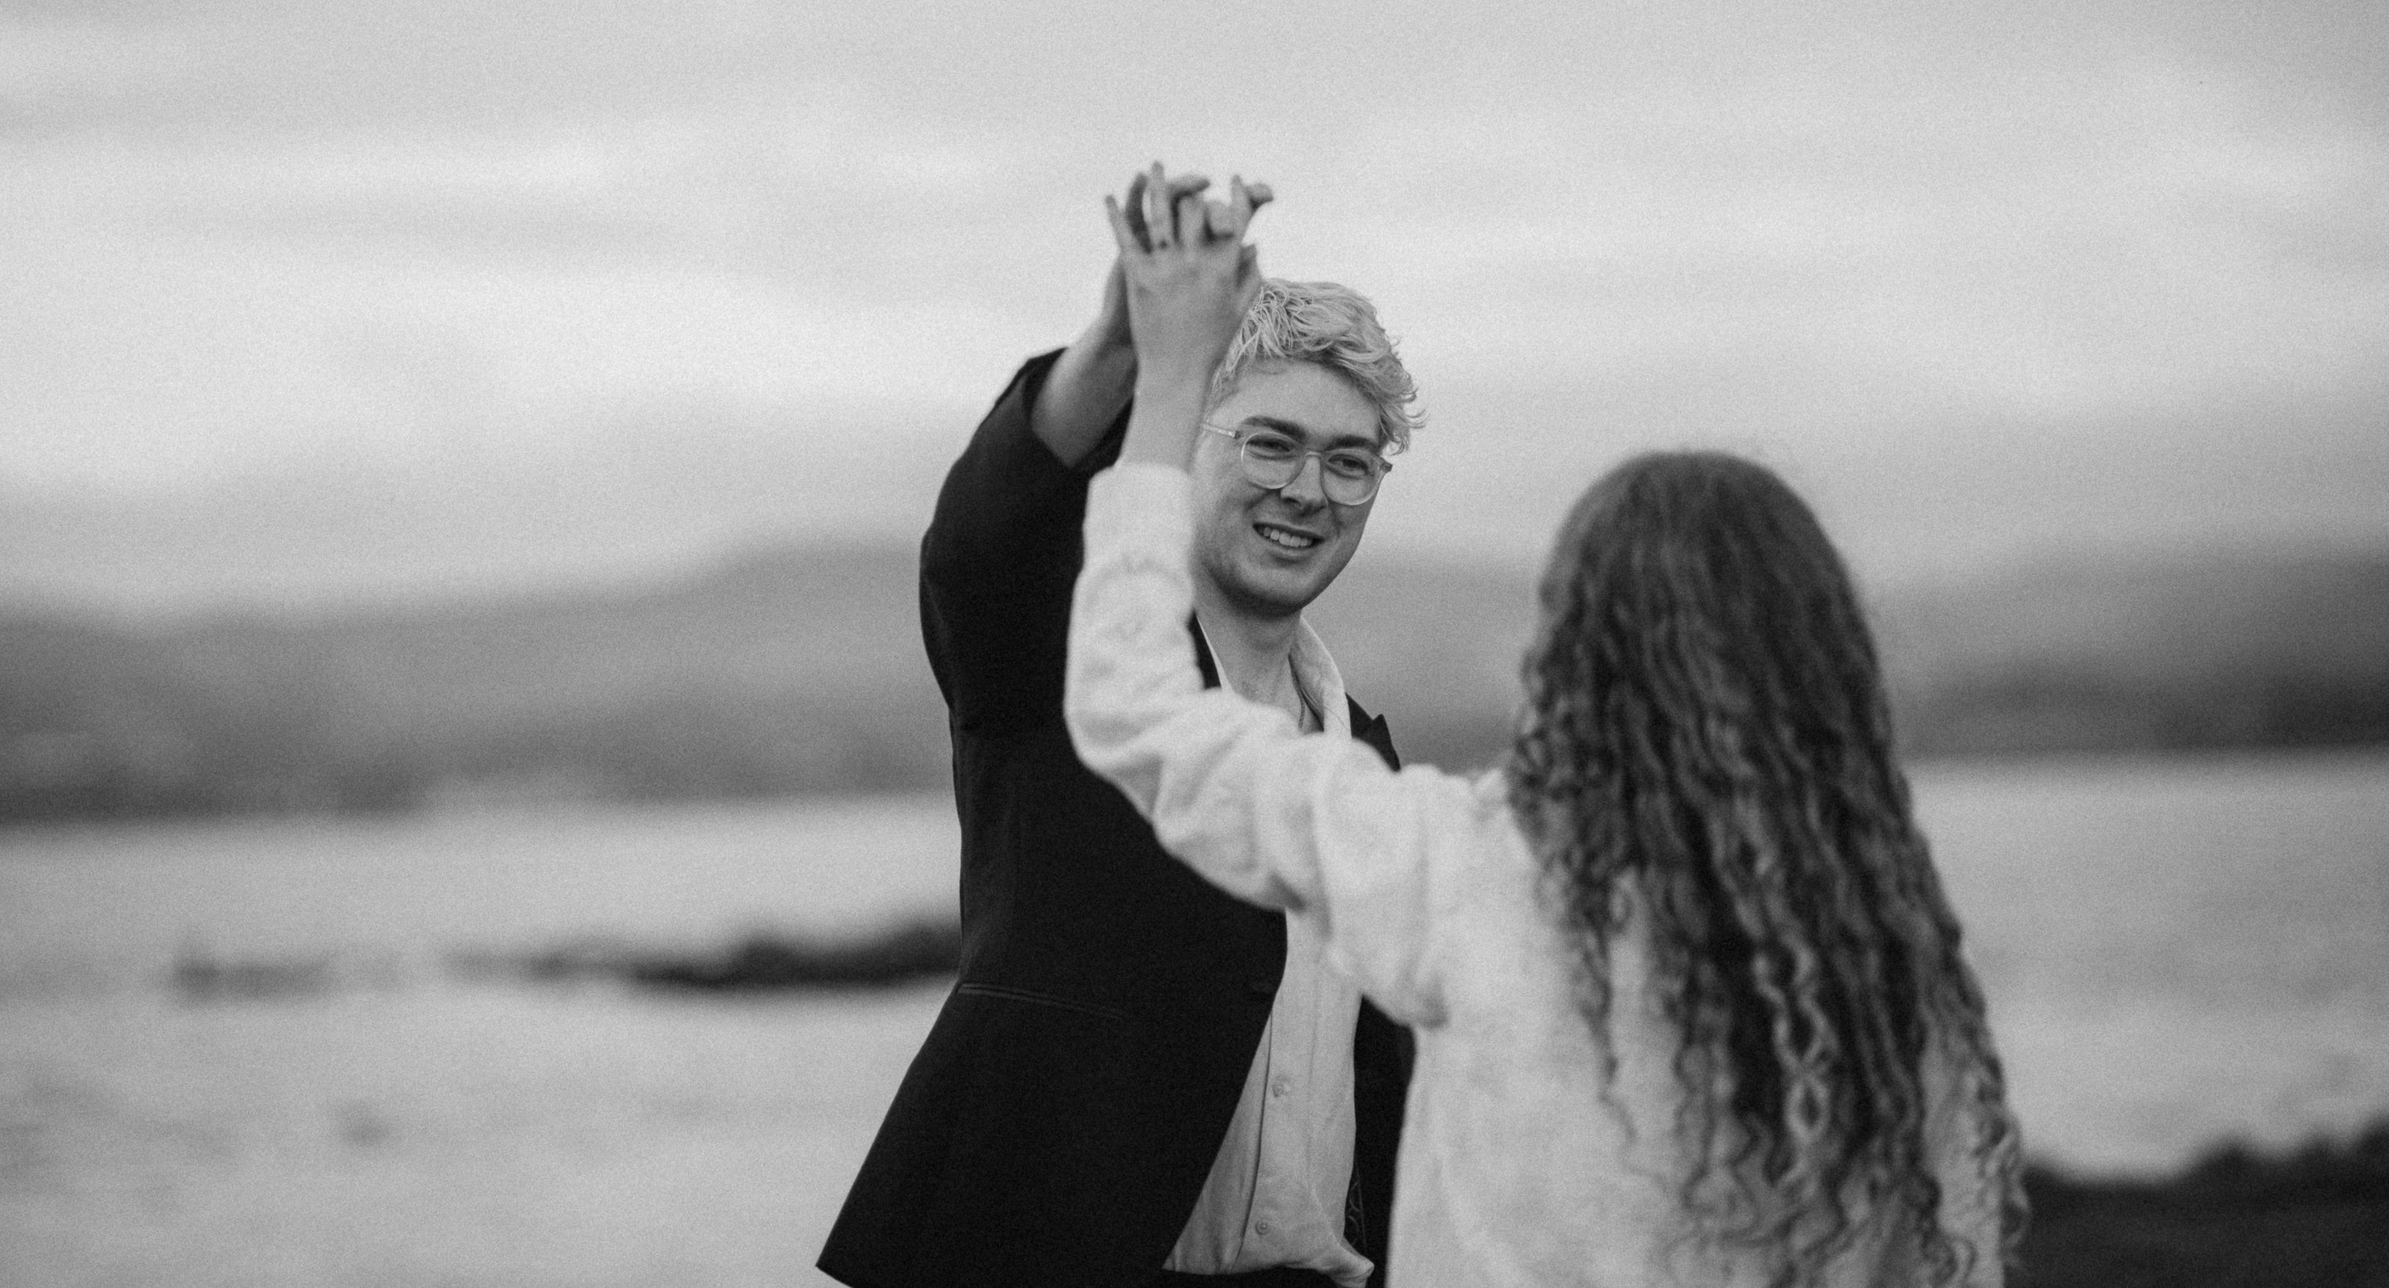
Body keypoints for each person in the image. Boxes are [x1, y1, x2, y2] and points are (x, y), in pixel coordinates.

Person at [1064, 180, 2026, 1286]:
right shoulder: (1888, 981)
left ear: (1571, 654)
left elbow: (1133, 707)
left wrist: (1170, 375)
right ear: (1828, 674)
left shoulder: (1466, 873)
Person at [819, 169, 1423, 1288]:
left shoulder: (1370, 768)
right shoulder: (1056, 670)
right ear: (1183, 435)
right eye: (1270, 443)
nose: (1310, 490)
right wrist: (1123, 346)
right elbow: (980, 540)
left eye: (1351, 461)